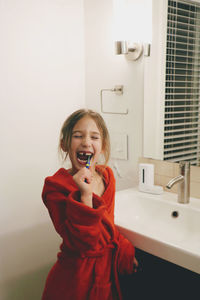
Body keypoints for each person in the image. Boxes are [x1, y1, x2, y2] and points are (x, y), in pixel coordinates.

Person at [41, 109, 138, 300]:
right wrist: (85, 196)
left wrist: (124, 249)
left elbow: (107, 226)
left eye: (94, 137)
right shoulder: (55, 187)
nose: (86, 142)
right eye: (78, 136)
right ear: (65, 144)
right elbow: (84, 245)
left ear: (102, 146)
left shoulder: (107, 177)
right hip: (73, 282)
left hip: (105, 278)